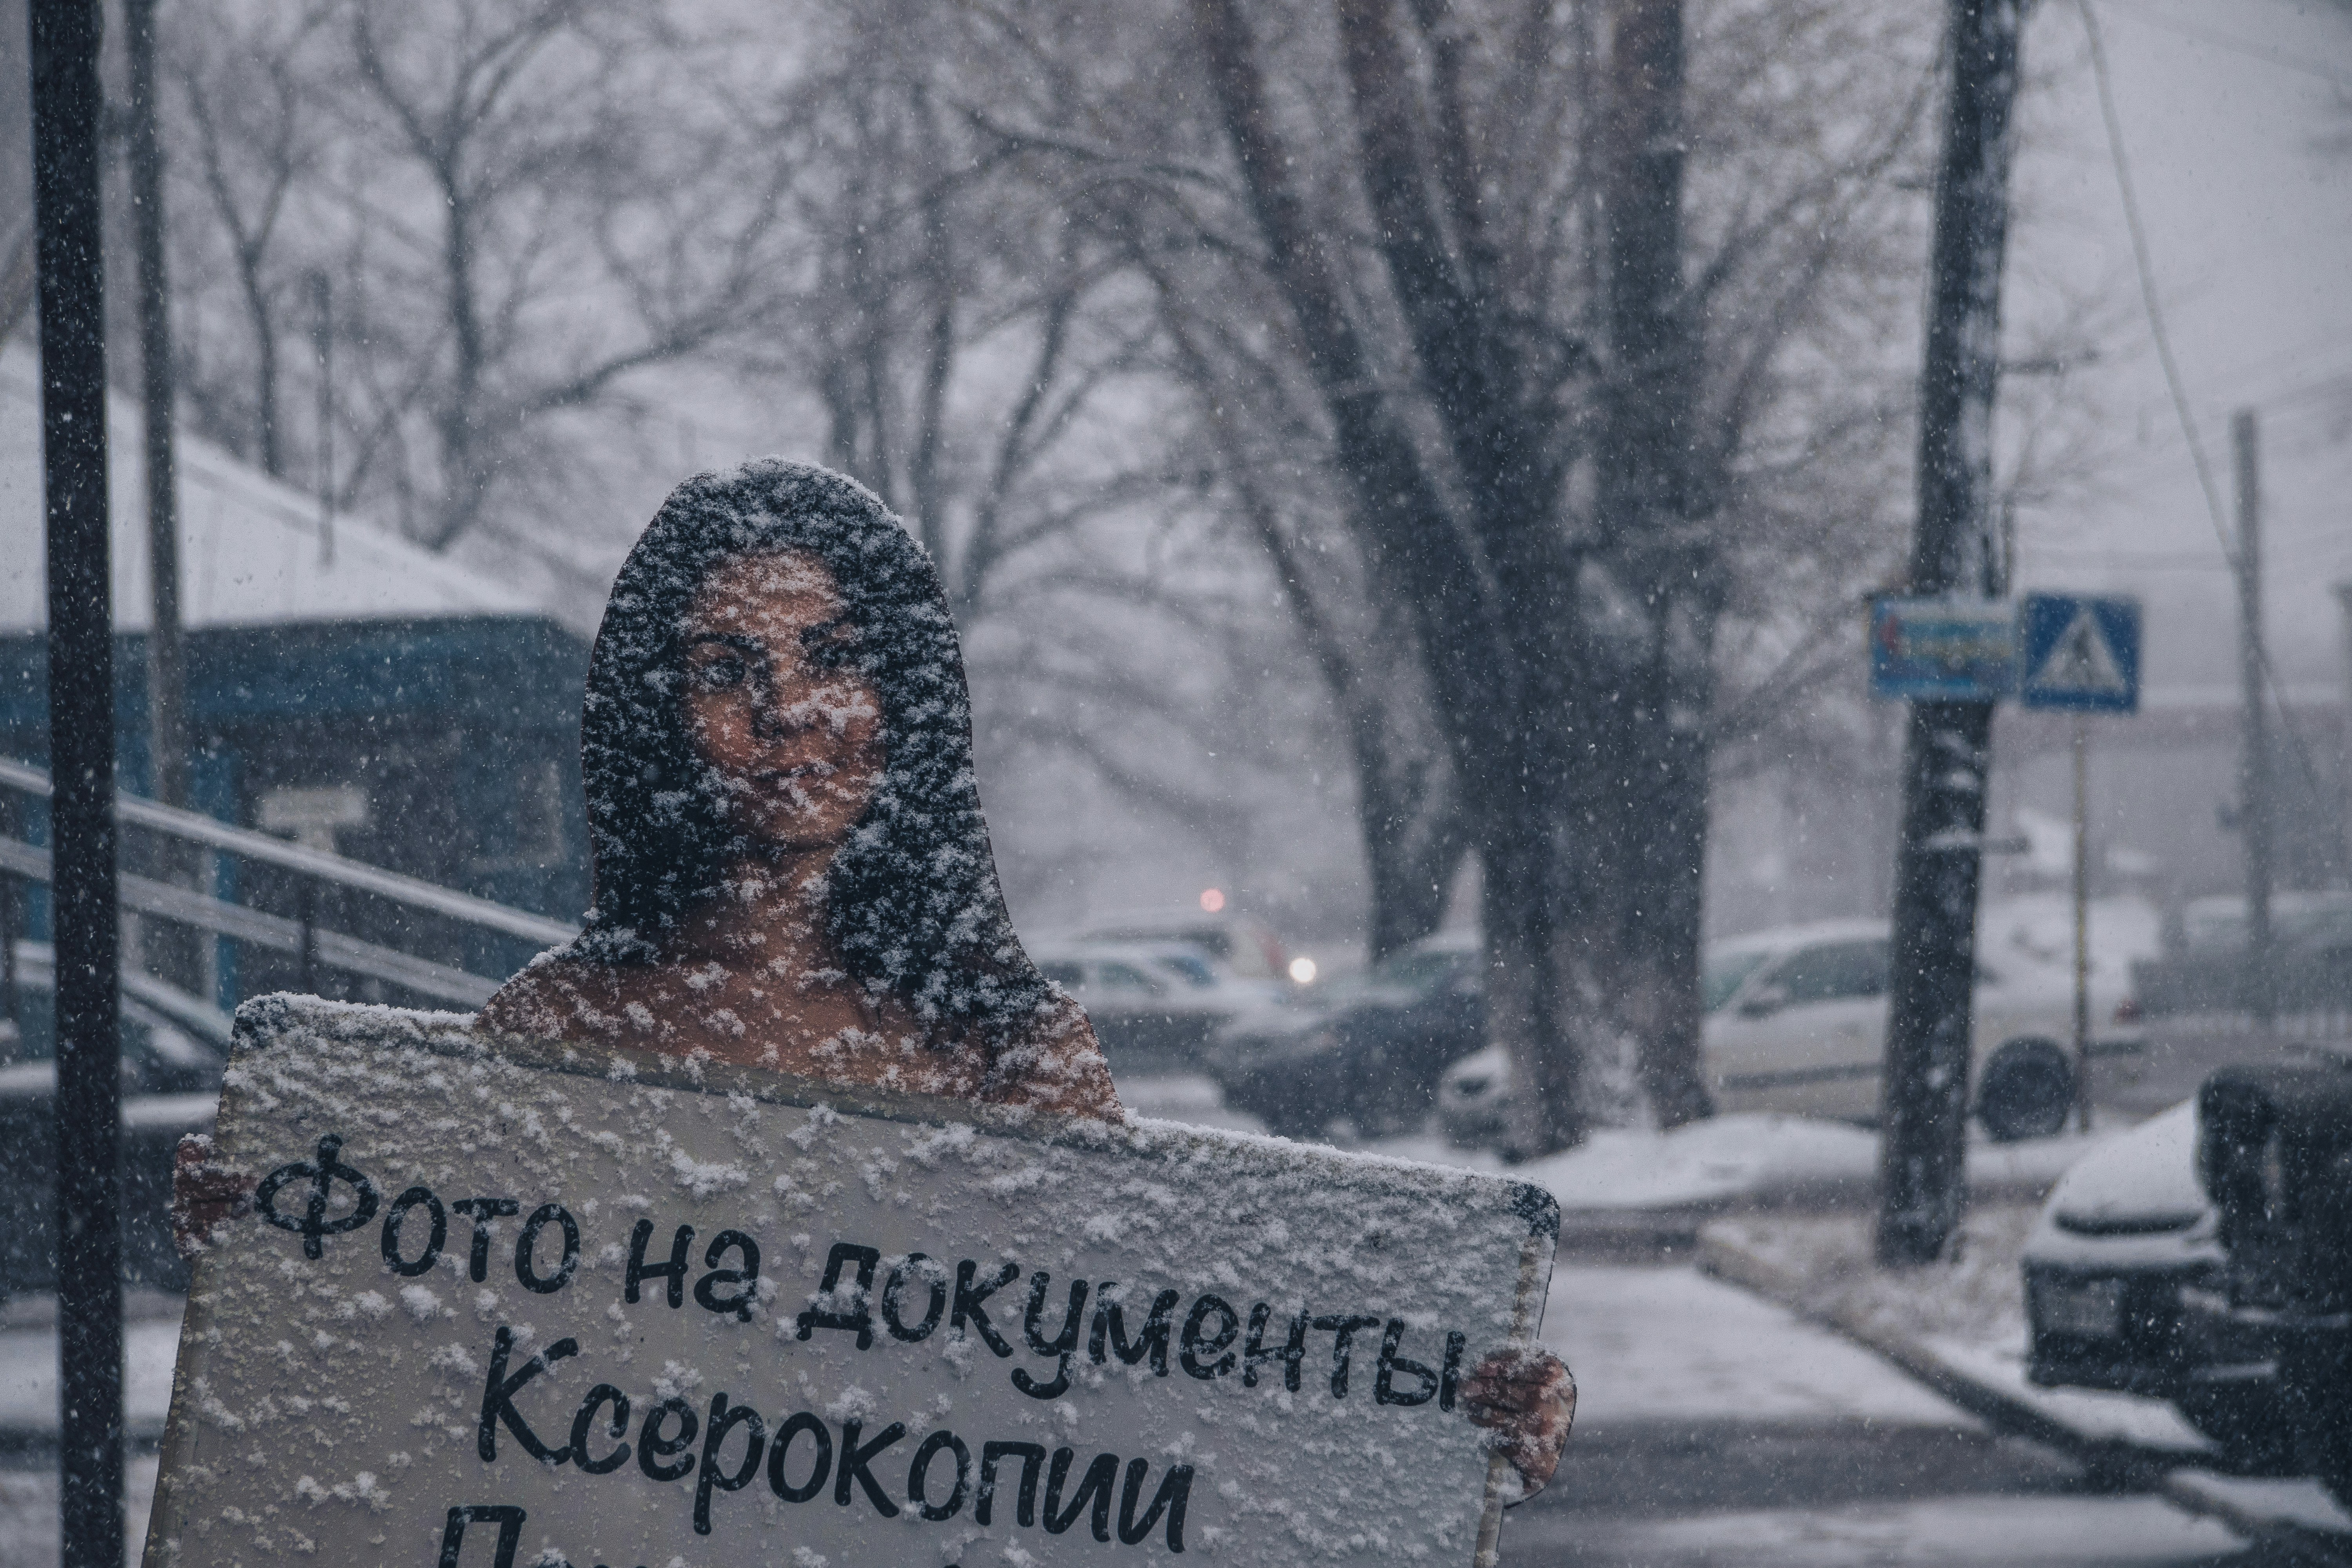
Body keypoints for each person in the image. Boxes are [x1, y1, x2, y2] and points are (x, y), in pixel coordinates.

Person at [179, 459, 1572, 1492]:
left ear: (902, 691)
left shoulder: (1008, 1052)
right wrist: (288, 1239)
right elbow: (432, 1370)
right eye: (729, 668)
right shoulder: (560, 1029)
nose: (789, 709)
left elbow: (1160, 1393)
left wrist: (1441, 1400)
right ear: (664, 721)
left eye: (832, 655)